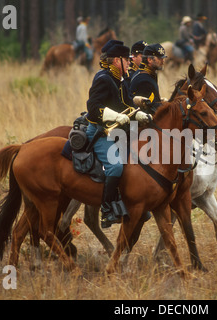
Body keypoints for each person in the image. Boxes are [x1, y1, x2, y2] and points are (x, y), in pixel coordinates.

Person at [85, 43, 152, 228]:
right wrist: (116, 116)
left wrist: (138, 114)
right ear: (117, 61)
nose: (129, 63)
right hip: (100, 133)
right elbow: (92, 109)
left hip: (118, 132)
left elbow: (125, 104)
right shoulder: (103, 79)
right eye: (126, 60)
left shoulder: (119, 79)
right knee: (115, 167)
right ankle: (107, 211)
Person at [130, 43, 167, 115]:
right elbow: (151, 108)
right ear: (149, 59)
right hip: (137, 124)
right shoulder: (144, 79)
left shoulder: (148, 74)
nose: (163, 61)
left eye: (163, 58)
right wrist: (169, 105)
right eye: (159, 58)